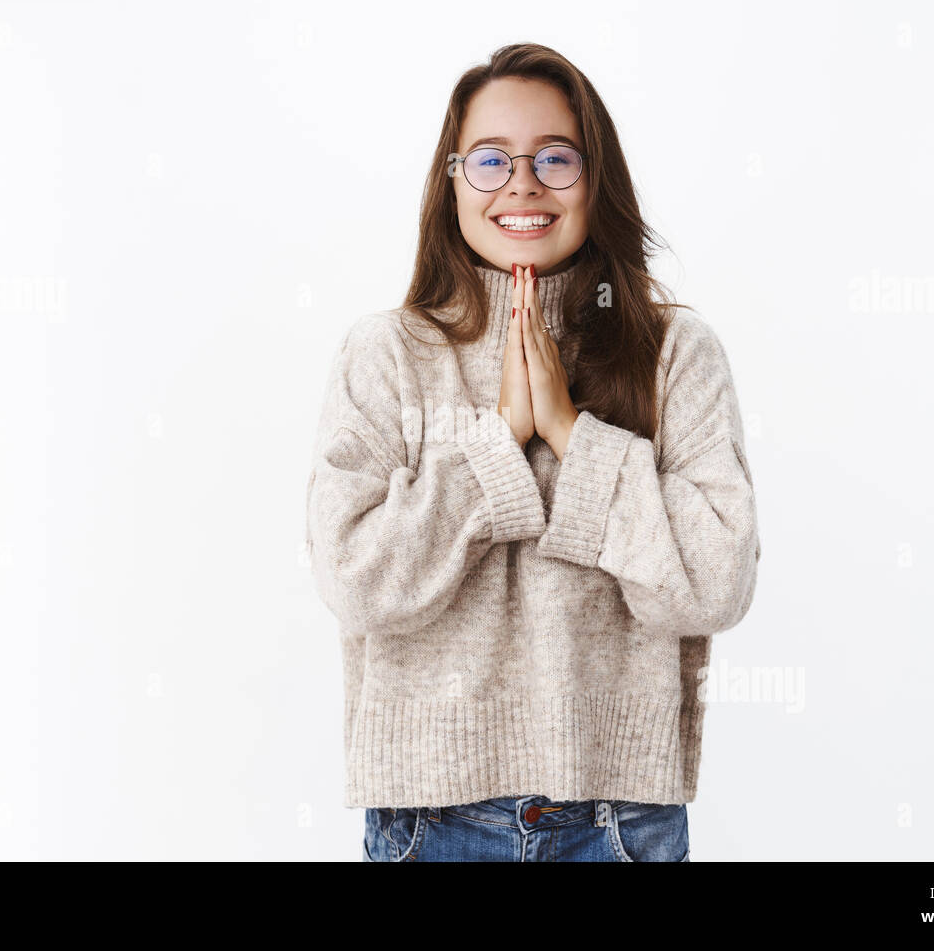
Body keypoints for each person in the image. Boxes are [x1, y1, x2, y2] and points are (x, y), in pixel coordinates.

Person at [304, 43, 762, 862]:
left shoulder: (675, 352)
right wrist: (500, 436)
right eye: (490, 160)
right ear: (451, 182)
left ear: (597, 179)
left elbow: (716, 583)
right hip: (428, 821)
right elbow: (357, 581)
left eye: (556, 157)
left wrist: (569, 434)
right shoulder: (385, 353)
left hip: (621, 819)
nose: (522, 183)